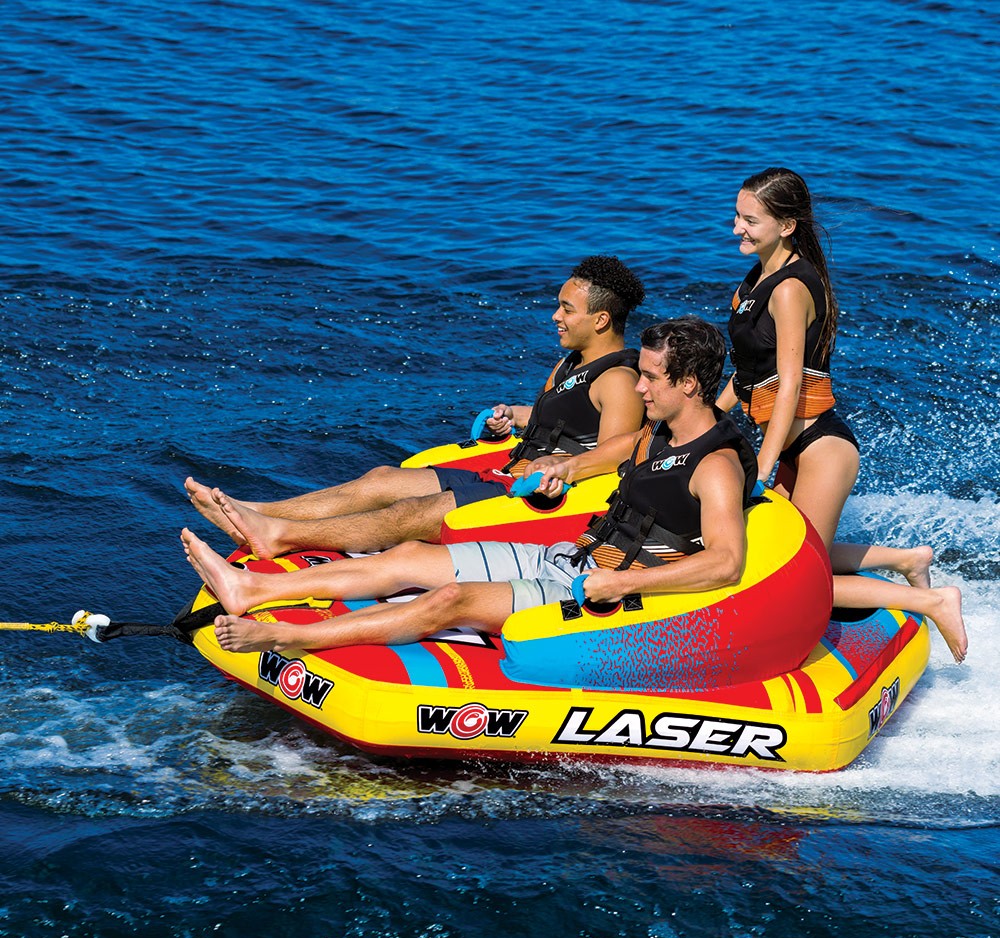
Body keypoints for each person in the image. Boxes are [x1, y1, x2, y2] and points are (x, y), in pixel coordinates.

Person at [181, 316, 757, 654]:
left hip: (607, 596)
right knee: (408, 555)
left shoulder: (716, 466)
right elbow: (615, 464)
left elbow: (726, 563)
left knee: (448, 601)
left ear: (688, 383)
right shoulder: (656, 433)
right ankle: (252, 588)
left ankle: (291, 638)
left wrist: (617, 583)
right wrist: (558, 473)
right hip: (570, 557)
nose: (640, 388)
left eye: (651, 378)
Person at [184, 255, 647, 559]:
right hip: (505, 472)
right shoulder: (571, 364)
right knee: (382, 479)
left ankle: (280, 534)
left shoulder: (619, 381)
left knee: (409, 514)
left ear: (600, 319)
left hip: (531, 497)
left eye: (567, 309)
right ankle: (255, 510)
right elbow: (566, 419)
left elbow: (617, 456)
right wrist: (515, 414)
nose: (555, 316)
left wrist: (561, 469)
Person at [717, 166, 967, 661]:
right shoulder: (753, 283)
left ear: (786, 225)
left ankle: (934, 601)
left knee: (798, 575)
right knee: (788, 548)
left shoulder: (789, 290)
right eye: (737, 216)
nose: (736, 228)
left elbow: (789, 384)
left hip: (820, 449)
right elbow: (746, 376)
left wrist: (765, 463)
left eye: (750, 220)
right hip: (791, 445)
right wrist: (703, 419)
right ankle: (907, 560)